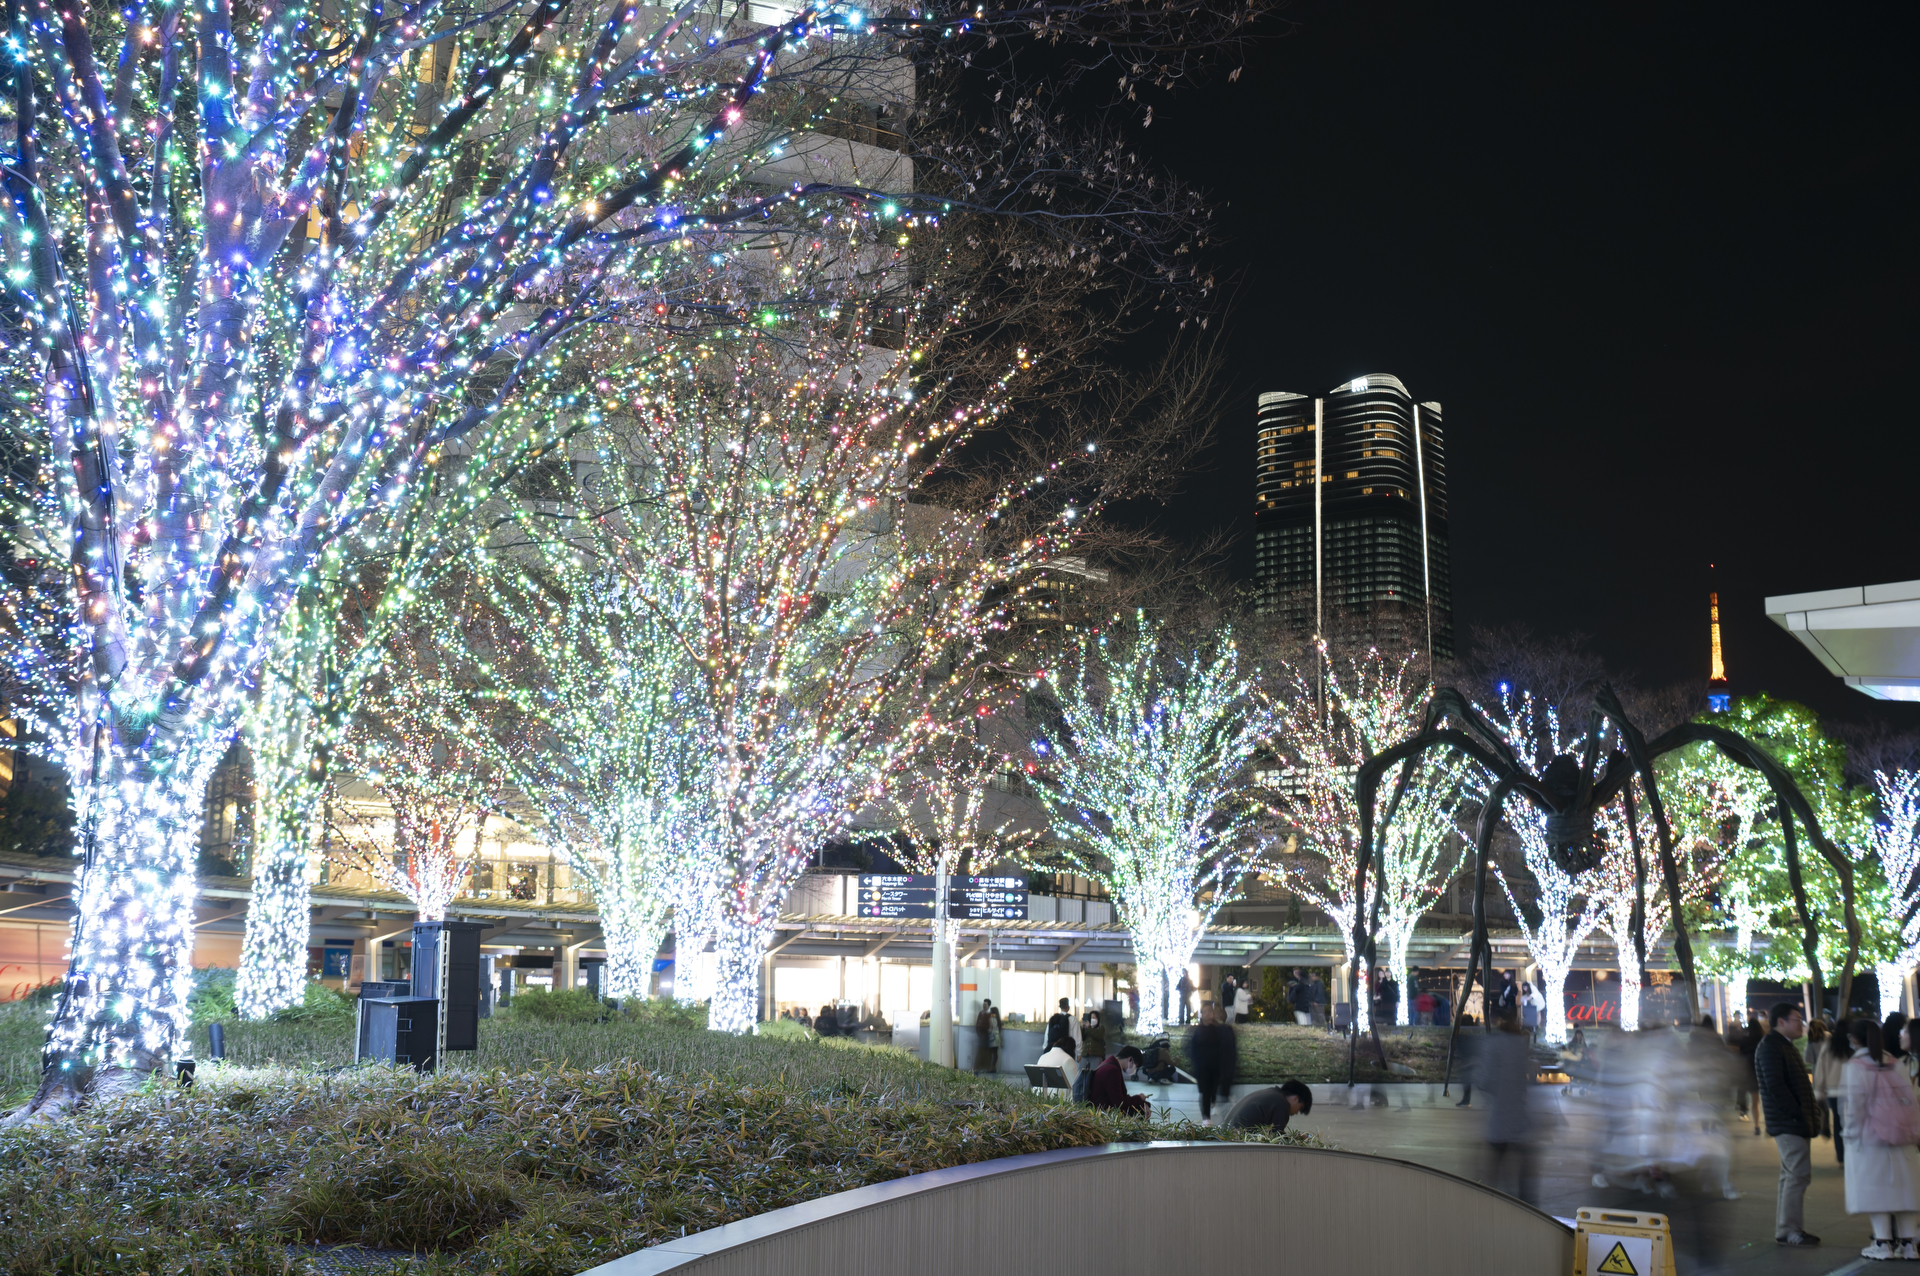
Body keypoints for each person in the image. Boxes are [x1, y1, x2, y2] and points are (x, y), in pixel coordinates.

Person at [1841, 1018, 1920, 1261]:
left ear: (1853, 1039)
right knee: (1905, 1192)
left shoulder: (1855, 1066)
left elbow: (1854, 1108)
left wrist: (1849, 1134)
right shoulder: (1897, 1064)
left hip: (1869, 1140)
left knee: (1877, 1193)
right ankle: (1909, 1246)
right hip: (1903, 1137)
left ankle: (1882, 1243)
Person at [1755, 1001, 1821, 1247]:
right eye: (1797, 1019)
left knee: (1791, 1175)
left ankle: (1787, 1228)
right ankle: (1790, 1230)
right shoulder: (1772, 1047)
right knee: (1797, 1176)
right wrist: (1797, 1113)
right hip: (1788, 1123)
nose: (1801, 1023)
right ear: (1781, 1021)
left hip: (1791, 1121)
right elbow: (1776, 1087)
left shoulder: (1782, 1045)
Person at [1479, 1012, 1538, 1204]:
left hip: (1499, 1113)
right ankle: (1526, 1203)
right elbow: (1527, 1080)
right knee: (1524, 1164)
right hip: (1519, 1115)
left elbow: (1486, 1080)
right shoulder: (1521, 1045)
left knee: (1496, 1163)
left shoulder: (1493, 1044)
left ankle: (1491, 1201)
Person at [1185, 1004, 1238, 1126]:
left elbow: (1227, 1047)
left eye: (1210, 1012)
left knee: (1213, 1090)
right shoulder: (1198, 1031)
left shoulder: (1220, 1030)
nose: (1208, 1014)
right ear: (1202, 1015)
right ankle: (1206, 1118)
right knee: (1205, 1092)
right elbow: (1191, 1049)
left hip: (1216, 1067)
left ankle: (1214, 1104)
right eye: (1205, 1012)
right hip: (1203, 1068)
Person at [1815, 1018, 1852, 1166]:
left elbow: (1820, 1069)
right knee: (1852, 1122)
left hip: (1833, 1091)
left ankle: (1841, 1157)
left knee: (1838, 1123)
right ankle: (1851, 1154)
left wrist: (1819, 1090)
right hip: (1852, 1091)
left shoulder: (1829, 1045)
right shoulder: (1853, 1045)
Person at [1225, 1079, 1314, 1132]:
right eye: (1300, 1108)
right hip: (1239, 1140)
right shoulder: (1281, 1103)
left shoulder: (1270, 1094)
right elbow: (1277, 1139)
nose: (1296, 1112)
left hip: (1226, 1133)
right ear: (1295, 1098)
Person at [1087, 1045, 1151, 1116]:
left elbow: (1118, 1097)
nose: (1134, 1069)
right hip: (1104, 1112)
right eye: (1135, 1065)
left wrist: (1142, 1101)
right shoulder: (1112, 1070)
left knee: (1144, 1105)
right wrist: (1139, 1098)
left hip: (1103, 1106)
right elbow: (1120, 1103)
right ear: (1130, 1059)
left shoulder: (1110, 1065)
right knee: (1141, 1109)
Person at [1074, 1008, 1106, 1102]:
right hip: (1085, 1054)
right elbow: (1082, 1038)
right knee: (1081, 1073)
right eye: (1091, 1017)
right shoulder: (1086, 1028)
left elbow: (1098, 1036)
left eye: (1094, 1017)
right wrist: (1082, 1028)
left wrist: (1088, 1029)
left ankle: (1095, 1094)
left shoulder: (1101, 1028)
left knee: (1096, 1074)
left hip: (1096, 1054)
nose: (1093, 1019)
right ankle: (1080, 1093)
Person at [974, 999, 1002, 1075]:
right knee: (991, 1052)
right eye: (983, 1005)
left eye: (985, 1005)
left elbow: (993, 1026)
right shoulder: (983, 1014)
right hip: (989, 1036)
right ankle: (990, 1067)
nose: (984, 1006)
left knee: (992, 1052)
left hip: (991, 1036)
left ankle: (991, 1067)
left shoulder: (990, 1015)